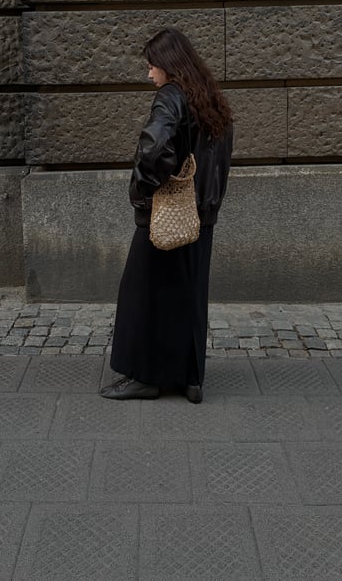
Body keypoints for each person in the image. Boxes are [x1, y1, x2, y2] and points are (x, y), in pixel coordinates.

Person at [100, 27, 233, 404]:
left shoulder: (170, 97)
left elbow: (155, 147)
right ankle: (191, 379)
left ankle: (144, 378)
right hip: (201, 216)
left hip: (167, 212)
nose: (149, 74)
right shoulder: (209, 97)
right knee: (188, 294)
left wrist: (143, 187)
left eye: (151, 65)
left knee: (142, 294)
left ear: (168, 65)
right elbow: (219, 159)